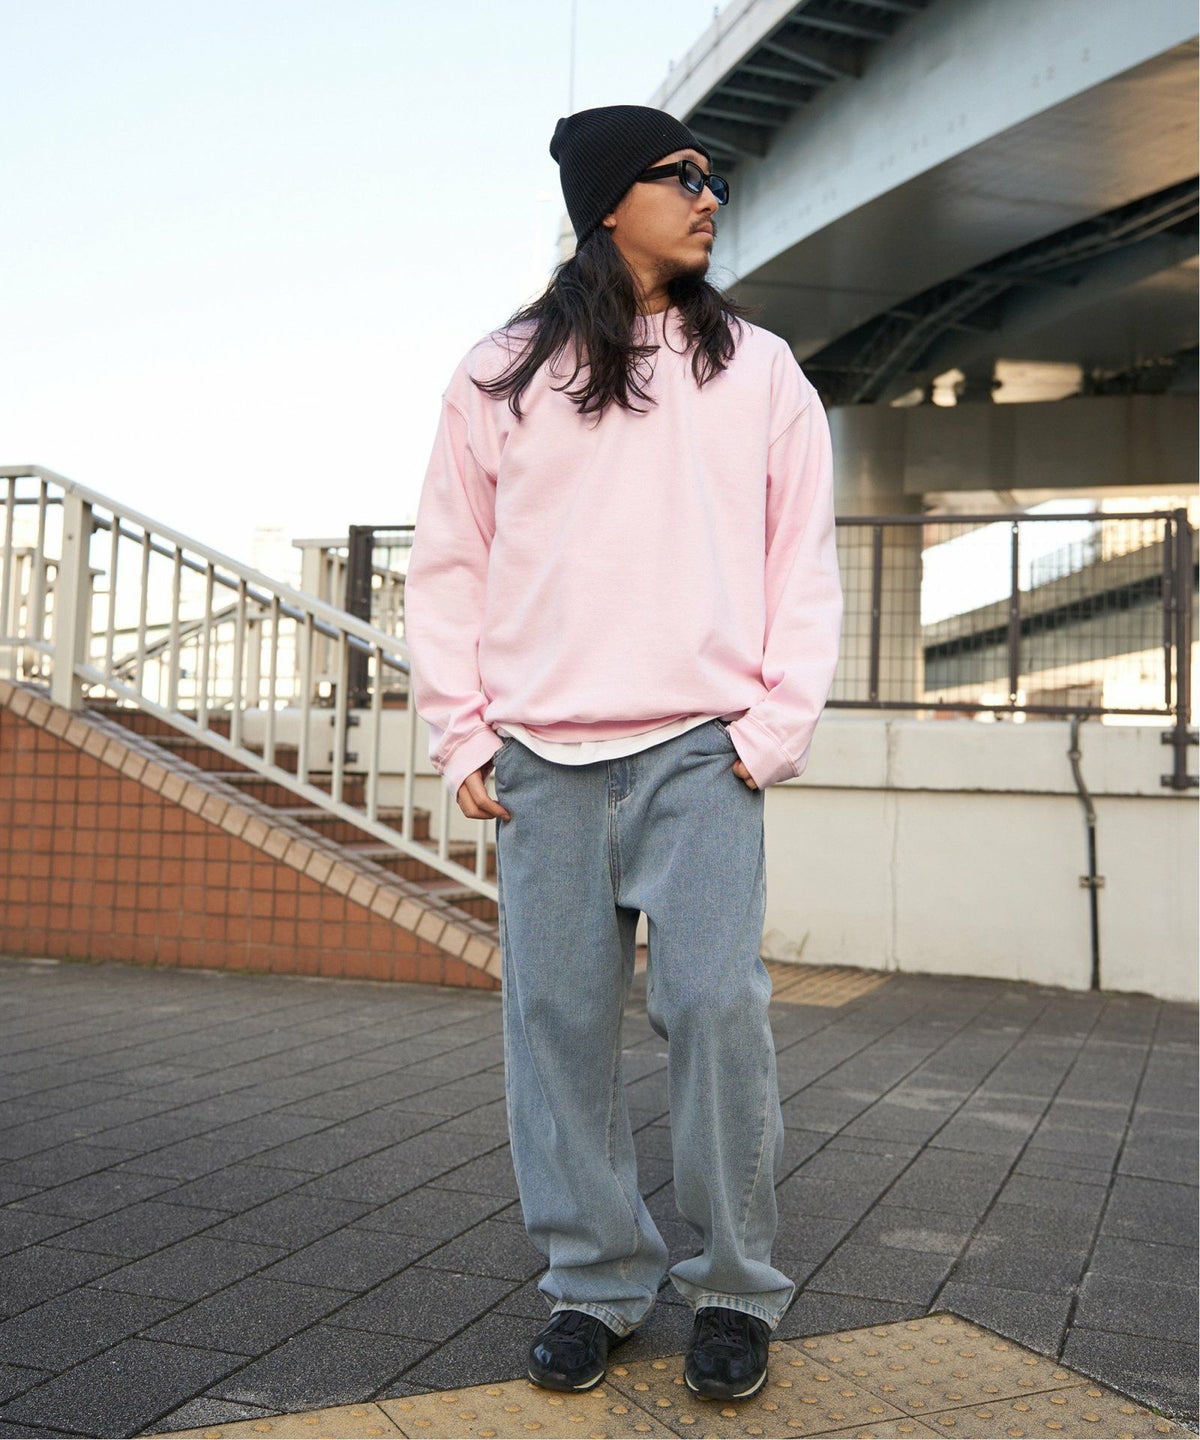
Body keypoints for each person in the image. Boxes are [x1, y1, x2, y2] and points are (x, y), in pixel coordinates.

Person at [403, 104, 843, 1402]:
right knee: (555, 1027)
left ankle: (734, 1287)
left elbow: (801, 556)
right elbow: (450, 562)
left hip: (702, 753)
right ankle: (594, 1281)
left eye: (714, 178)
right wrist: (463, 729)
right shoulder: (501, 373)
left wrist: (771, 731)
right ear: (607, 201)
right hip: (541, 759)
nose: (709, 195)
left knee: (716, 1011)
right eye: (679, 175)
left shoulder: (757, 368)